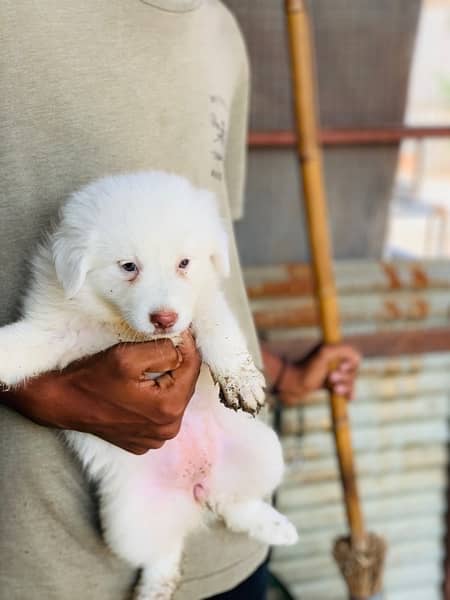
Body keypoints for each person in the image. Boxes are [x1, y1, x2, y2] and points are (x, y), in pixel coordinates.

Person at [0, 1, 360, 598]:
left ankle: (235, 508)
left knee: (260, 465)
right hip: (49, 561)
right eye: (129, 269)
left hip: (235, 562)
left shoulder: (219, 30)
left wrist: (275, 372)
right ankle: (163, 557)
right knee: (138, 533)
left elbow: (206, 277)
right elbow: (47, 339)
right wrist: (50, 393)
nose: (159, 300)